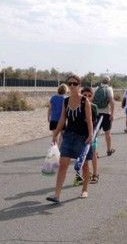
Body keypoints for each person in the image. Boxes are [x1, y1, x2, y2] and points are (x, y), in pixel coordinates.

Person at [47, 75, 93, 204]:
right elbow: (62, 119)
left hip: (82, 137)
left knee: (84, 165)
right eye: (70, 83)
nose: (72, 86)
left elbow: (89, 121)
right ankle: (57, 195)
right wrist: (55, 134)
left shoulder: (85, 101)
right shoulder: (65, 101)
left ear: (79, 85)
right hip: (68, 136)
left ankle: (84, 189)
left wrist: (90, 135)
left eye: (75, 83)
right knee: (63, 165)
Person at [79, 87, 99, 185]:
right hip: (81, 135)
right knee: (82, 155)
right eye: (85, 95)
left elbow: (94, 122)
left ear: (92, 97)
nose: (87, 97)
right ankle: (84, 175)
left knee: (93, 153)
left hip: (92, 134)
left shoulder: (94, 107)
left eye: (89, 96)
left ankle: (95, 174)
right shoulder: (78, 106)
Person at [94, 75, 115, 156]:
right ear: (109, 81)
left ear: (101, 81)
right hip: (106, 113)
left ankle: (94, 152)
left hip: (97, 113)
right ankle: (109, 150)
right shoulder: (109, 89)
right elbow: (111, 102)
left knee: (95, 134)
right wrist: (112, 114)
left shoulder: (96, 89)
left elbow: (91, 101)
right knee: (107, 133)